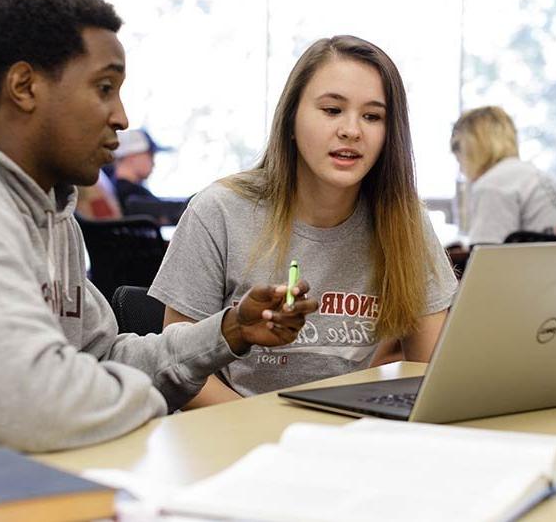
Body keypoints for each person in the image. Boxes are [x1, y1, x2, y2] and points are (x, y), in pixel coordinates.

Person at [0, 0, 317, 487]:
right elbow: (32, 408)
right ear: (24, 86)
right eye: (104, 88)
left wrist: (229, 331)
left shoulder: (49, 210)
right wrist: (161, 401)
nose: (122, 117)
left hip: (11, 492)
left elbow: (101, 357)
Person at [149, 35, 458, 408]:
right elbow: (182, 369)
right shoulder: (219, 211)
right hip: (237, 434)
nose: (351, 130)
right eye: (332, 110)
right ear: (291, 120)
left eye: (372, 116)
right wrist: (267, 428)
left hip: (346, 437)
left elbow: (432, 374)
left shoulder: (405, 223)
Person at [450, 105, 556, 245]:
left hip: (532, 264)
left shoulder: (492, 184)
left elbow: (485, 255)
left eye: (459, 159)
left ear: (470, 148)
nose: (462, 170)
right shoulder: (539, 176)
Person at [113, 128, 187, 224]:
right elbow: (167, 210)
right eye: (150, 155)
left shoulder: (127, 189)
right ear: (132, 157)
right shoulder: (127, 193)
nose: (153, 163)